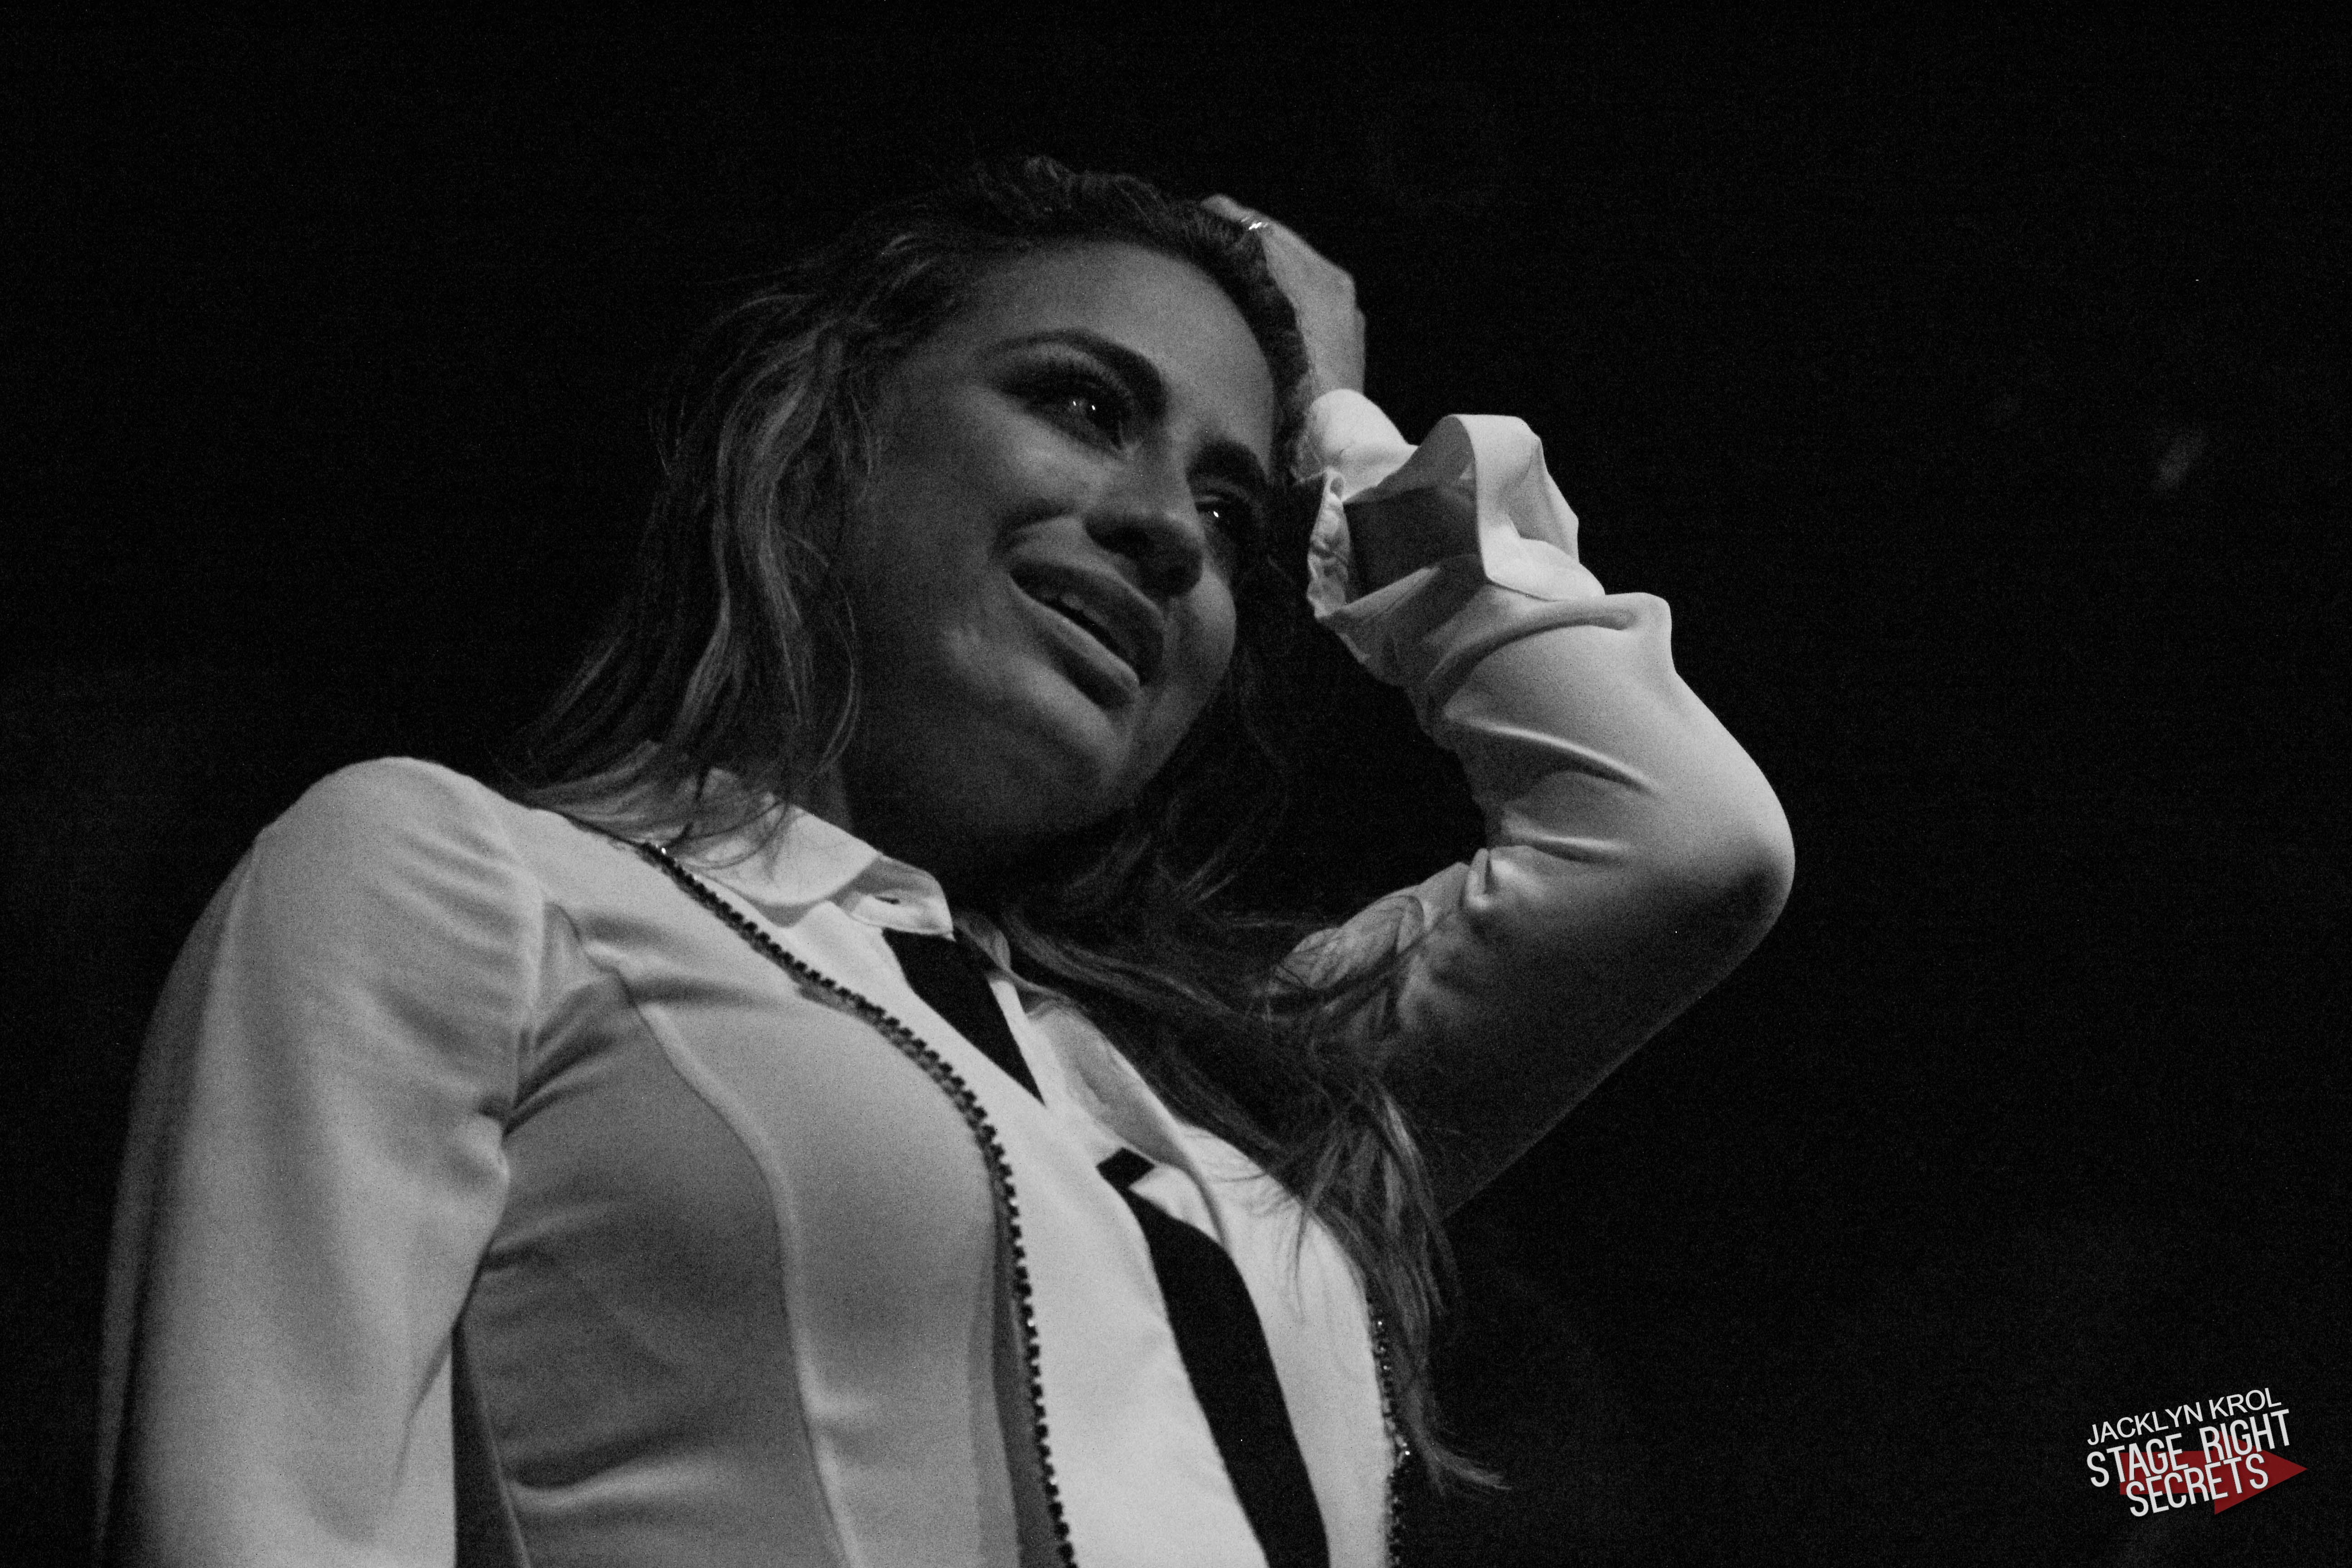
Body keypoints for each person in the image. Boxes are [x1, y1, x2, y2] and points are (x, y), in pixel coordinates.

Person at [94, 159, 1793, 1568]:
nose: (1166, 530)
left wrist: (1344, 439)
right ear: (823, 435)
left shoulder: (1229, 1091)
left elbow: (1680, 845)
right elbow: (253, 1521)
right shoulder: (464, 880)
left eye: (1232, 514)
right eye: (1083, 404)